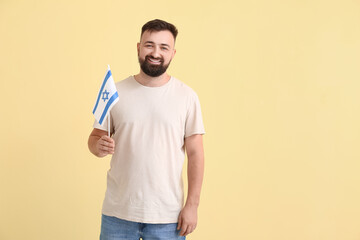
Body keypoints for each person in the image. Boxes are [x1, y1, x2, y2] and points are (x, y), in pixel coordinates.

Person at [88, 19, 205, 240]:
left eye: (164, 47)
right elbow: (94, 138)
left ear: (173, 53)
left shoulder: (187, 97)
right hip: (118, 214)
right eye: (149, 45)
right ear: (139, 47)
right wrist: (98, 146)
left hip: (168, 217)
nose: (155, 52)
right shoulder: (115, 92)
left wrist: (192, 205)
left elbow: (196, 153)